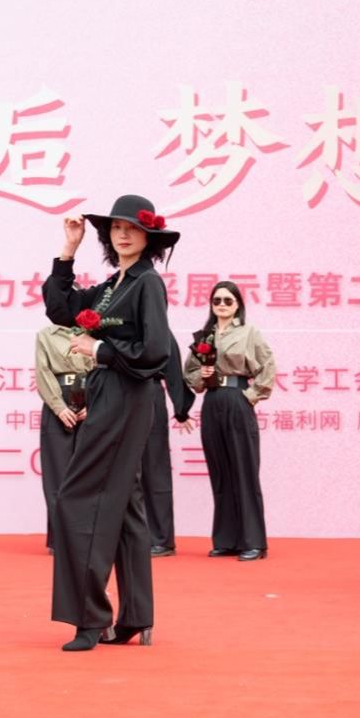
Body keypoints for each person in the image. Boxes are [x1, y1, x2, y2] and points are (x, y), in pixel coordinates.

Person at [42, 194, 178, 651]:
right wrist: (69, 249)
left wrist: (99, 350)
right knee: (124, 506)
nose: (122, 234)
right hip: (109, 393)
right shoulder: (111, 285)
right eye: (116, 228)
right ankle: (136, 615)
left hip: (127, 395)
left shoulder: (147, 283)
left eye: (132, 228)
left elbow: (156, 350)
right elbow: (60, 308)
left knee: (78, 500)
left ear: (149, 237)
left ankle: (90, 619)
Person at [182, 281, 276, 562]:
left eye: (227, 300)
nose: (222, 305)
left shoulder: (249, 332)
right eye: (217, 300)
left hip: (237, 399)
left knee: (244, 471)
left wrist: (251, 396)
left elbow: (267, 365)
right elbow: (189, 372)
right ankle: (226, 540)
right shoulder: (205, 336)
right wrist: (202, 377)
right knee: (220, 472)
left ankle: (254, 542)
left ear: (237, 304)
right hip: (212, 401)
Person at [34, 324, 94, 553]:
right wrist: (59, 407)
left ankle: (85, 536)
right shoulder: (45, 335)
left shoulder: (94, 332)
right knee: (57, 477)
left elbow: (104, 368)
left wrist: (94, 402)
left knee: (89, 476)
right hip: (57, 404)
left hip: (90, 404)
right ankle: (59, 539)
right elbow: (43, 372)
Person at [143, 333, 196, 558]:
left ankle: (161, 539)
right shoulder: (115, 323)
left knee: (155, 469)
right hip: (117, 395)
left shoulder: (159, 329)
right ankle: (127, 536)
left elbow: (173, 369)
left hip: (149, 393)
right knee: (120, 471)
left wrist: (181, 409)